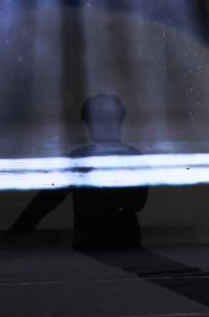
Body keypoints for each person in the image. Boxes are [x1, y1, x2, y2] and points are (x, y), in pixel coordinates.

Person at [9, 94, 148, 250]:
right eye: (99, 118)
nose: (106, 124)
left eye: (110, 117)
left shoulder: (81, 158)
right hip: (105, 239)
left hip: (106, 238)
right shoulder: (82, 158)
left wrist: (18, 230)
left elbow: (48, 199)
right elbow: (47, 199)